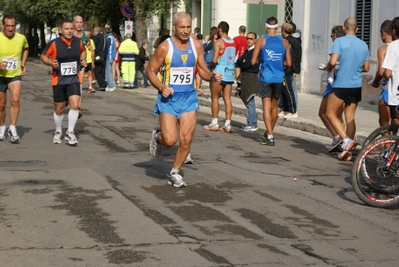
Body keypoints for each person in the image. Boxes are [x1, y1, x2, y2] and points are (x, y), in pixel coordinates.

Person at [147, 12, 221, 188]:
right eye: (182, 27)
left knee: (186, 139)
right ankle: (158, 137)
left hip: (188, 98)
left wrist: (211, 75)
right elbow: (150, 71)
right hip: (169, 100)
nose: (186, 31)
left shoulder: (196, 45)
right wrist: (161, 87)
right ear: (174, 27)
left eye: (188, 27)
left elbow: (201, 69)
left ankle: (175, 172)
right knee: (170, 140)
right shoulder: (165, 47)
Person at [325, 17, 370, 160]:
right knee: (350, 117)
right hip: (356, 85)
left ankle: (346, 140)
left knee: (330, 113)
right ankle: (347, 151)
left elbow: (333, 61)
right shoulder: (363, 45)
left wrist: (328, 67)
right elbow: (367, 67)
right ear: (357, 29)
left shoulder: (339, 41)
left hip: (341, 84)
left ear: (344, 29)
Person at [40, 18, 87, 146]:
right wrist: (51, 63)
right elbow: (43, 56)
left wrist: (83, 60)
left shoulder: (78, 42)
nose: (69, 31)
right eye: (66, 29)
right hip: (59, 79)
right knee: (59, 109)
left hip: (74, 79)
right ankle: (58, 131)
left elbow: (83, 52)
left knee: (75, 105)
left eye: (71, 28)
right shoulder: (54, 43)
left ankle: (70, 132)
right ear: (61, 30)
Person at [251, 16, 291, 146]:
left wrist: (263, 61)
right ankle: (270, 132)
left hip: (265, 77)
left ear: (266, 27)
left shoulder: (261, 40)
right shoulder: (284, 42)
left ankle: (270, 135)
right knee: (275, 106)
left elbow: (253, 61)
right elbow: (289, 63)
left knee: (266, 107)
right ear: (278, 28)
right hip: (279, 77)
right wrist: (278, 62)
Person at [0, 14, 29, 143]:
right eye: (8, 26)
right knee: (1, 105)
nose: (11, 29)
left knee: (15, 100)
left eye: (13, 26)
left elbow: (26, 48)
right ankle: (2, 127)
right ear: (3, 26)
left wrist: (23, 63)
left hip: (15, 75)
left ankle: (12, 128)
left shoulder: (21, 38)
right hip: (0, 76)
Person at [203, 21, 236, 133]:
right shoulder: (233, 42)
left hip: (219, 72)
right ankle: (228, 124)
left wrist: (210, 66)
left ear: (220, 29)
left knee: (215, 98)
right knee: (227, 99)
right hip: (230, 73)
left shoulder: (219, 42)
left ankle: (214, 122)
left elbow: (214, 60)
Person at [318, 25, 346, 153]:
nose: (331, 38)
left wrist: (326, 67)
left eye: (331, 36)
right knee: (338, 115)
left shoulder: (337, 45)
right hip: (345, 84)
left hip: (334, 83)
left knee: (325, 113)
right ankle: (340, 138)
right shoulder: (348, 46)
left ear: (335, 36)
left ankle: (339, 138)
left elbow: (333, 64)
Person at [372, 20, 399, 130]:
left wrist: (375, 82)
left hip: (390, 89)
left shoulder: (384, 49)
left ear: (383, 33)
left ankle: (388, 147)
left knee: (384, 122)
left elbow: (381, 72)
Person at [235, 32, 259, 132]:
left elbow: (245, 64)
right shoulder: (247, 51)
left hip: (251, 77)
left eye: (251, 39)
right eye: (247, 38)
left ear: (255, 40)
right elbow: (239, 62)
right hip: (245, 77)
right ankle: (251, 122)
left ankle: (252, 123)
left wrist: (242, 63)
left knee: (250, 100)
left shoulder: (255, 51)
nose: (249, 40)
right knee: (247, 100)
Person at [279, 22, 302, 118]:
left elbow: (290, 56)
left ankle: (292, 110)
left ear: (283, 30)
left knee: (289, 90)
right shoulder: (295, 40)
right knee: (285, 90)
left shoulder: (288, 41)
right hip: (292, 68)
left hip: (288, 69)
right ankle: (285, 109)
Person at [382, 17, 399, 127]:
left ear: (393, 31)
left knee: (396, 121)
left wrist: (384, 75)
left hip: (397, 96)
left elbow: (387, 73)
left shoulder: (393, 46)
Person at [104, 27, 116, 91]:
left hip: (109, 55)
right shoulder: (112, 37)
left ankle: (111, 85)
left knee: (108, 71)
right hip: (112, 55)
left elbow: (107, 47)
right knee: (109, 71)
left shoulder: (109, 38)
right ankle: (110, 84)